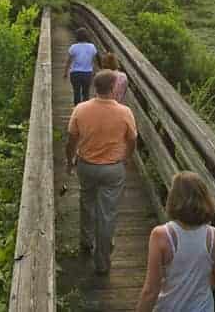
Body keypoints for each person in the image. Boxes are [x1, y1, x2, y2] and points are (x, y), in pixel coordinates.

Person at [65, 69, 138, 274]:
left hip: (86, 165)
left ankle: (86, 241)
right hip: (113, 169)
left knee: (86, 202)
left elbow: (71, 140)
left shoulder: (80, 109)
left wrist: (69, 162)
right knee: (107, 214)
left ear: (94, 87)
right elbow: (132, 140)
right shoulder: (125, 112)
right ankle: (102, 262)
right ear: (114, 87)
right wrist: (127, 157)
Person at [136, 172, 215, 312]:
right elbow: (214, 273)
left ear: (174, 198)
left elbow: (151, 290)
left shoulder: (161, 235)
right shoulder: (213, 235)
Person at [65, 27, 98, 105]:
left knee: (76, 92)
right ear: (87, 36)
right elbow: (94, 61)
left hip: (75, 73)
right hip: (87, 73)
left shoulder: (73, 47)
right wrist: (95, 71)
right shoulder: (92, 47)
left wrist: (65, 72)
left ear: (77, 36)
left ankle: (77, 109)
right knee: (86, 93)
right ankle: (85, 110)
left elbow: (69, 61)